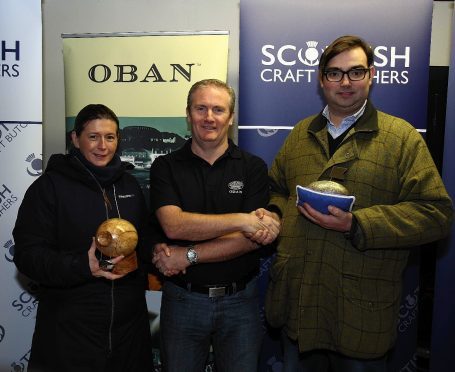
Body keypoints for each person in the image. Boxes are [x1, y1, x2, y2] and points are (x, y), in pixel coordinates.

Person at [264, 35, 453, 372]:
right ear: (321, 80)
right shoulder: (300, 133)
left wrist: (357, 224)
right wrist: (278, 217)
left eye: (355, 72)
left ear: (372, 75)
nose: (345, 82)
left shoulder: (401, 137)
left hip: (360, 313)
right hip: (300, 307)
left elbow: (436, 214)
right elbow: (275, 190)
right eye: (335, 73)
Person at [148, 78, 280, 372]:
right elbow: (174, 226)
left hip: (240, 303)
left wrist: (188, 255)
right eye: (201, 108)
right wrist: (242, 220)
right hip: (183, 299)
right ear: (188, 114)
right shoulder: (165, 166)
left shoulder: (252, 167)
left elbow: (252, 238)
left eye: (218, 110)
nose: (209, 117)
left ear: (230, 118)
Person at [13, 104, 154, 372]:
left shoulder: (130, 186)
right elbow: (27, 255)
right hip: (70, 334)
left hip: (129, 334)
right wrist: (82, 265)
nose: (102, 146)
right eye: (93, 136)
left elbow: (144, 240)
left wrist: (157, 252)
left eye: (110, 137)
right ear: (75, 139)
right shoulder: (49, 188)